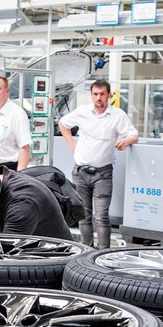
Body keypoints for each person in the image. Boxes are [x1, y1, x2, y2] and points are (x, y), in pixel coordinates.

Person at [58, 79, 138, 248]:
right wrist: (72, 145)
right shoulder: (83, 112)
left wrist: (126, 141)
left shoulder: (117, 115)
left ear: (109, 95)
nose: (98, 98)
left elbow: (134, 135)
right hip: (80, 172)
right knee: (83, 215)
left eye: (102, 94)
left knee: (101, 217)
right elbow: (63, 124)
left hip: (102, 173)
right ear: (91, 95)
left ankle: (103, 253)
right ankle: (87, 250)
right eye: (95, 94)